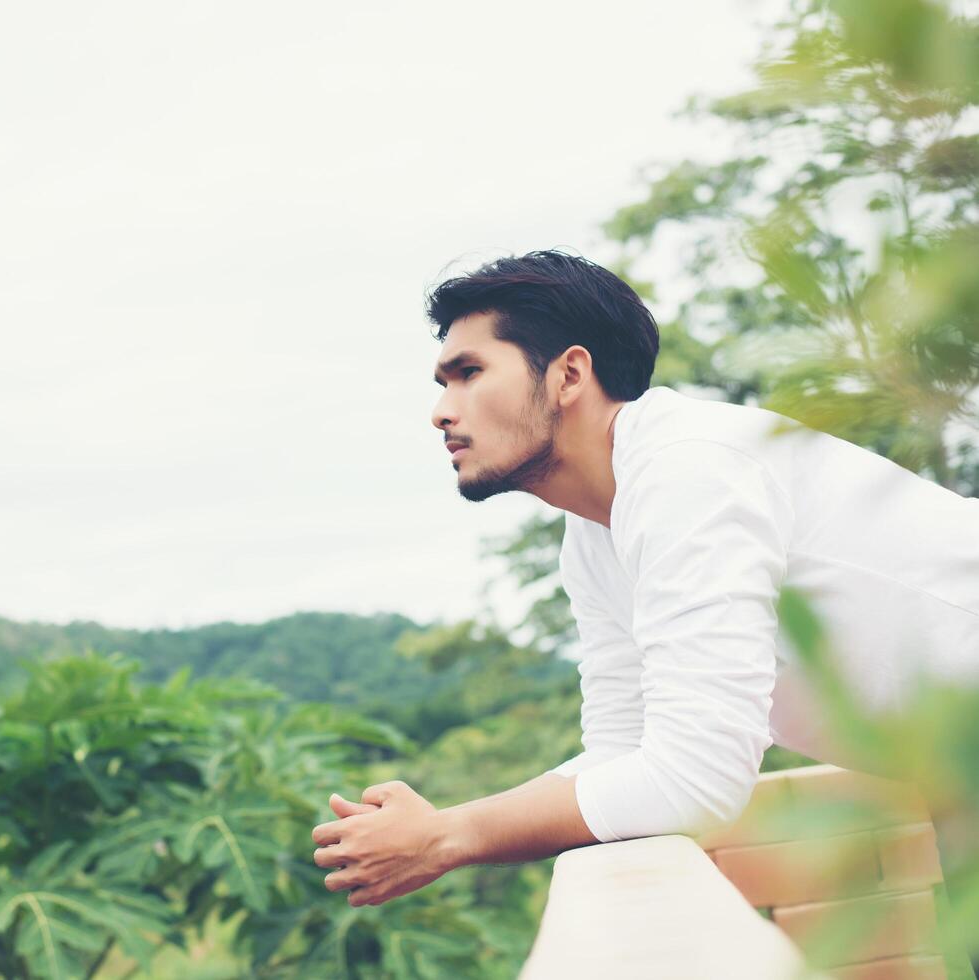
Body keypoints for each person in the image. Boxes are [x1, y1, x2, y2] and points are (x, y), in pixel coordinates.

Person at [308, 250, 979, 966]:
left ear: (569, 374)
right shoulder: (596, 533)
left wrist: (454, 836)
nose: (441, 410)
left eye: (468, 373)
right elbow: (624, 750)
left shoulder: (688, 472)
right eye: (443, 382)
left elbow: (694, 780)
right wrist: (442, 825)